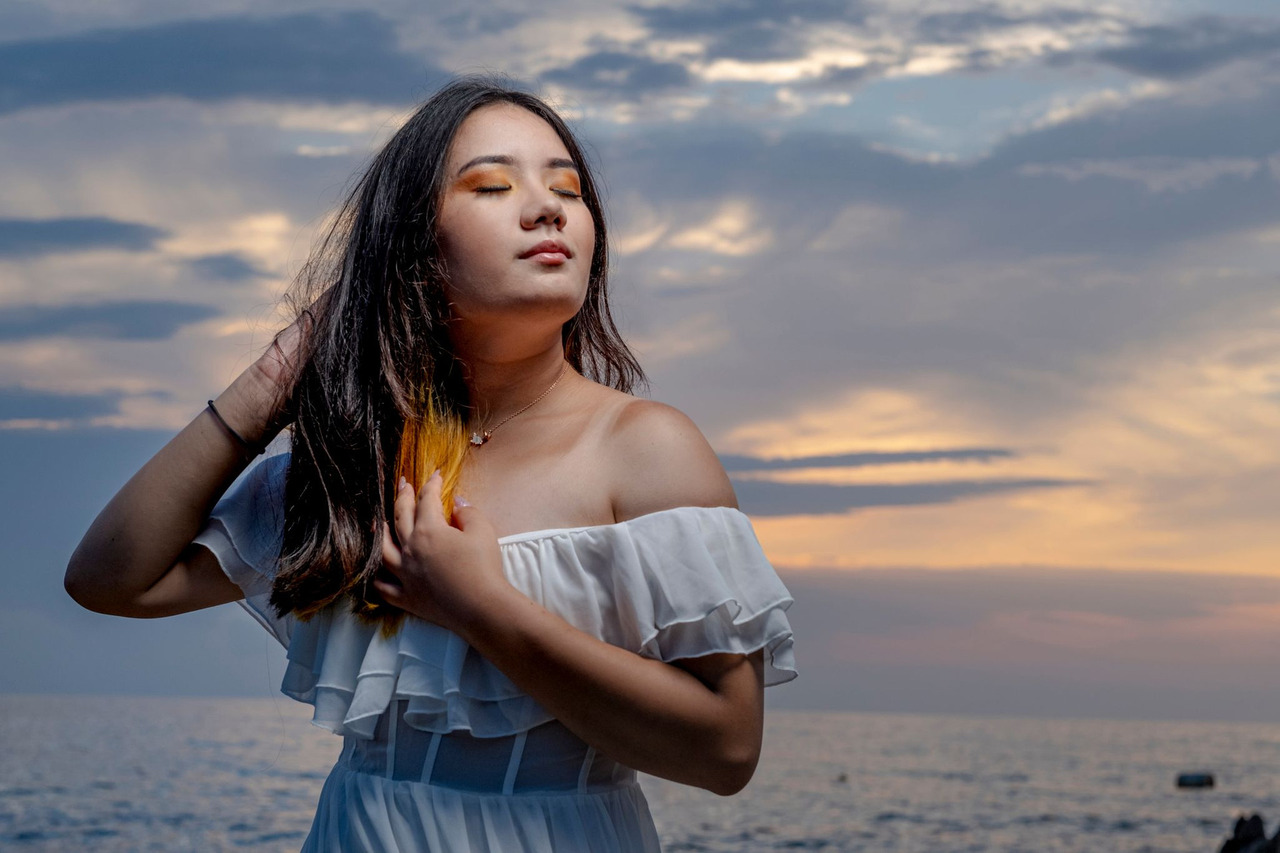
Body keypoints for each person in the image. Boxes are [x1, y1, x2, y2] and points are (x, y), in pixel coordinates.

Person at [64, 76, 796, 852]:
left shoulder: (646, 447)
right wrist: (271, 386)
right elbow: (113, 579)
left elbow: (726, 750)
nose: (549, 207)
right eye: (491, 184)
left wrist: (483, 604)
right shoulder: (360, 460)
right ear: (413, 245)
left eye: (569, 188)